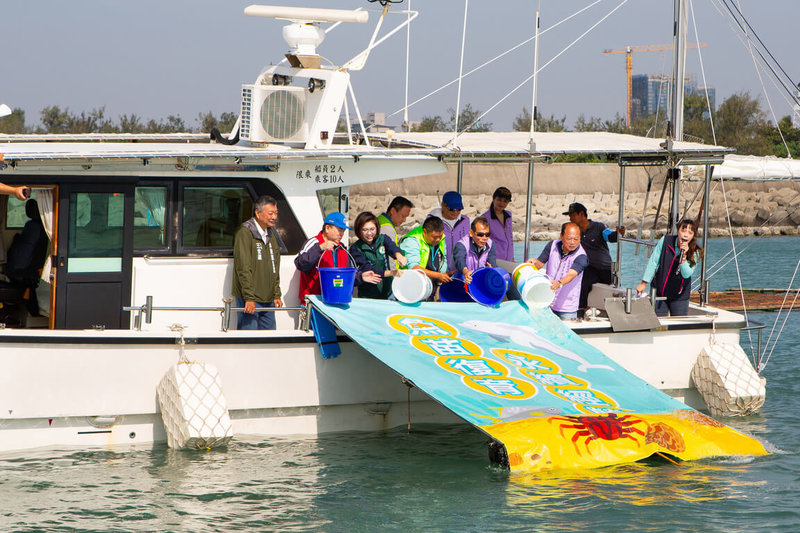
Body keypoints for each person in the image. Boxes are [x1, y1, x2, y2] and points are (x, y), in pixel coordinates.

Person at [295, 212, 380, 302]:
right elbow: (300, 264)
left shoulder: (342, 248)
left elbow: (345, 275)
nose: (341, 234)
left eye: (343, 230)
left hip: (336, 301)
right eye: (339, 229)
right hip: (313, 302)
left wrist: (360, 276)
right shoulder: (314, 243)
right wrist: (320, 248)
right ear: (327, 228)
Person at [564, 202, 625, 316]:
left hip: (605, 268)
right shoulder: (575, 231)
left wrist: (618, 233)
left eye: (572, 215)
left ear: (581, 214)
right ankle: (580, 311)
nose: (570, 218)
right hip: (589, 269)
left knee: (613, 290)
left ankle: (618, 313)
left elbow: (610, 236)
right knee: (583, 283)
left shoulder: (599, 227)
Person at [231, 195, 283, 330]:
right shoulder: (245, 233)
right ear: (258, 213)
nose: (274, 217)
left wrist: (276, 294)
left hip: (269, 299)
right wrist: (249, 297)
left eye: (276, 213)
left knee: (270, 340)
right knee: (248, 340)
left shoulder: (271, 235)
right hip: (250, 299)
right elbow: (243, 267)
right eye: (270, 213)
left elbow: (275, 266)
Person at [636, 218, 703, 317]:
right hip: (659, 291)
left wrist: (683, 256)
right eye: (683, 231)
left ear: (693, 236)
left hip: (679, 295)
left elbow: (686, 274)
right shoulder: (666, 241)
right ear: (678, 230)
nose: (686, 235)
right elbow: (653, 261)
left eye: (690, 233)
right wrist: (644, 282)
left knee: (678, 326)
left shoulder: (696, 251)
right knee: (659, 323)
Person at [527, 222, 587, 320]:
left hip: (567, 309)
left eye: (576, 239)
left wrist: (559, 283)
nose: (572, 242)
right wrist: (532, 263)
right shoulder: (552, 245)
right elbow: (539, 264)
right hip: (546, 303)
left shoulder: (581, 256)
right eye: (569, 238)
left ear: (580, 238)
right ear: (561, 236)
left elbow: (571, 275)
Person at [349, 211, 407, 299]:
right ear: (359, 231)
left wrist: (399, 256)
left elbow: (392, 248)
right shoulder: (355, 249)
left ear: (377, 228)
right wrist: (393, 273)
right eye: (365, 230)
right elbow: (370, 271)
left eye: (372, 229)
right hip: (368, 295)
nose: (369, 233)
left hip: (388, 292)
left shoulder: (383, 239)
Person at [400, 216, 451, 298]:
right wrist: (438, 275)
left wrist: (443, 276)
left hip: (431, 285)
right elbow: (413, 267)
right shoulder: (411, 241)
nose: (438, 239)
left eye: (440, 236)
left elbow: (443, 258)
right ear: (424, 232)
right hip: (412, 287)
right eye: (434, 237)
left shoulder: (440, 237)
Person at [452, 216, 496, 284]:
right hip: (462, 281)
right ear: (471, 233)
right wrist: (466, 272)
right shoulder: (461, 245)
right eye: (480, 234)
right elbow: (459, 261)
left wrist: (492, 270)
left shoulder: (491, 244)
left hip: (480, 281)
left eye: (487, 234)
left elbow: (492, 263)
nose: (484, 238)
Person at [429, 191, 470, 263]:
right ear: (442, 205)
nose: (455, 212)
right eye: (452, 209)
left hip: (460, 266)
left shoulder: (465, 221)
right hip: (438, 267)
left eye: (459, 209)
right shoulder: (431, 220)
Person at [483, 186, 514, 262]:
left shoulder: (508, 216)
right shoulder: (485, 218)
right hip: (493, 260)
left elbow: (510, 238)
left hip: (509, 260)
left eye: (505, 201)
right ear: (493, 199)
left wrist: (512, 257)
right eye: (499, 200)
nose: (502, 203)